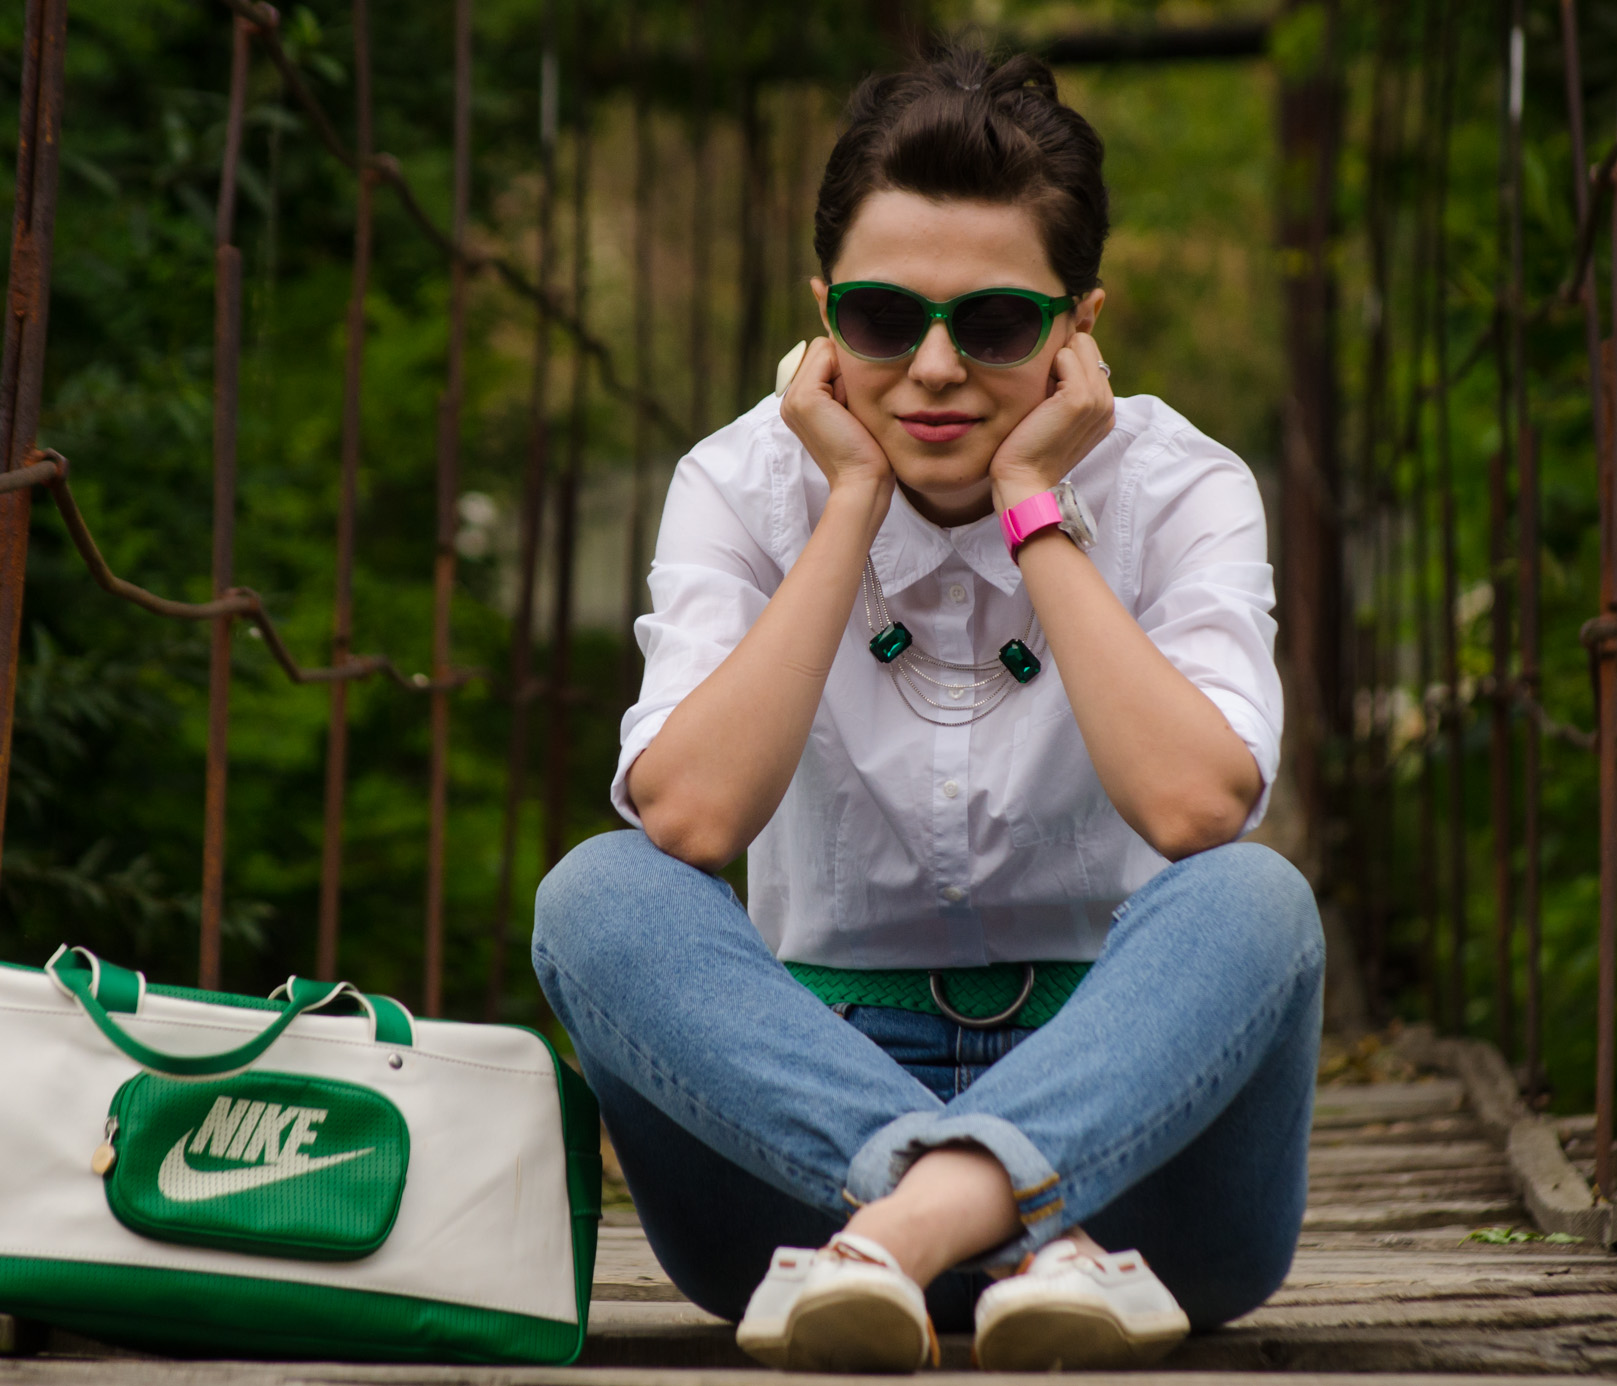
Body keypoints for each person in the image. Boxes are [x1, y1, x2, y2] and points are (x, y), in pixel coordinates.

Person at [531, 45, 1322, 1375]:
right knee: (597, 894)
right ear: (822, 315)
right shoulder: (741, 484)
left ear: (1080, 327)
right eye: (885, 319)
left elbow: (1197, 803)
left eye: (999, 324)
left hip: (1138, 1168)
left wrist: (1036, 512)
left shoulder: (1184, 485)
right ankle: (961, 1220)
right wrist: (848, 500)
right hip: (798, 1172)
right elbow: (690, 811)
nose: (937, 368)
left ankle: (918, 1227)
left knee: (1254, 902)